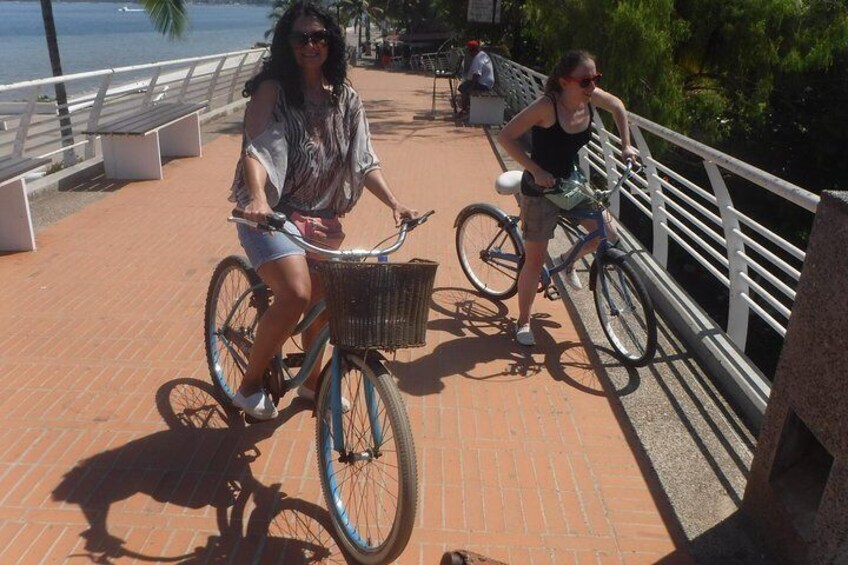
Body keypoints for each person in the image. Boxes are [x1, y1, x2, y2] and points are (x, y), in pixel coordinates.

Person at [228, 1, 417, 419]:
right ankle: (249, 384)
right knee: (296, 292)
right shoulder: (271, 91)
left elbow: (364, 160)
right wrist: (258, 199)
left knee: (326, 300)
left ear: (331, 42)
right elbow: (256, 150)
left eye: (319, 37)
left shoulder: (344, 98)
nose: (311, 44)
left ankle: (312, 384)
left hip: (321, 215)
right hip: (271, 214)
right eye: (302, 37)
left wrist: (395, 203)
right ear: (287, 43)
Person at [497, 50, 637, 347]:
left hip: (569, 183)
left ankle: (567, 261)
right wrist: (535, 170)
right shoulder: (547, 107)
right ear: (564, 81)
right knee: (534, 261)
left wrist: (627, 145)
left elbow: (618, 106)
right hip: (540, 189)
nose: (592, 87)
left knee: (607, 233)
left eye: (596, 79)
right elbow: (506, 136)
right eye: (586, 81)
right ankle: (523, 321)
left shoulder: (589, 98)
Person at [457, 40, 495, 115]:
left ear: (471, 50)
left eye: (468, 50)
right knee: (464, 87)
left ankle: (465, 110)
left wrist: (470, 87)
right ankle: (467, 107)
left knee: (463, 88)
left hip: (484, 84)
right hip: (487, 82)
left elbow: (477, 75)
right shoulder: (482, 54)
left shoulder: (478, 59)